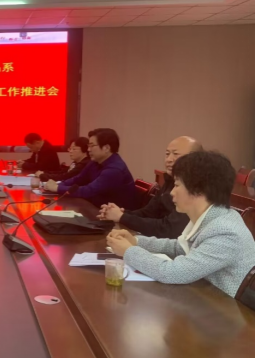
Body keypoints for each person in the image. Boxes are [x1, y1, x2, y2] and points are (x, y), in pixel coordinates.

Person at [108, 151, 254, 299]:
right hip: (205, 297)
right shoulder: (210, 215)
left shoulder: (225, 232)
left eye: (177, 185)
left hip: (227, 309)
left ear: (199, 190)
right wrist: (136, 241)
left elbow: (172, 272)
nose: (172, 192)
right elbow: (179, 248)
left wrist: (129, 251)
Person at [99, 136, 203, 238]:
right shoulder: (169, 180)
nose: (169, 159)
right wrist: (119, 213)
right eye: (167, 154)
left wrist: (122, 217)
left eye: (175, 154)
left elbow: (169, 229)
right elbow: (148, 212)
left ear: (194, 157)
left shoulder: (196, 189)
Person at [45, 128, 138, 209]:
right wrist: (58, 184)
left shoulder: (114, 169)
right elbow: (78, 179)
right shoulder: (95, 162)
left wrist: (58, 188)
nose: (88, 149)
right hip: (95, 208)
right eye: (88, 146)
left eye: (92, 146)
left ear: (106, 148)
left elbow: (89, 191)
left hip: (114, 217)